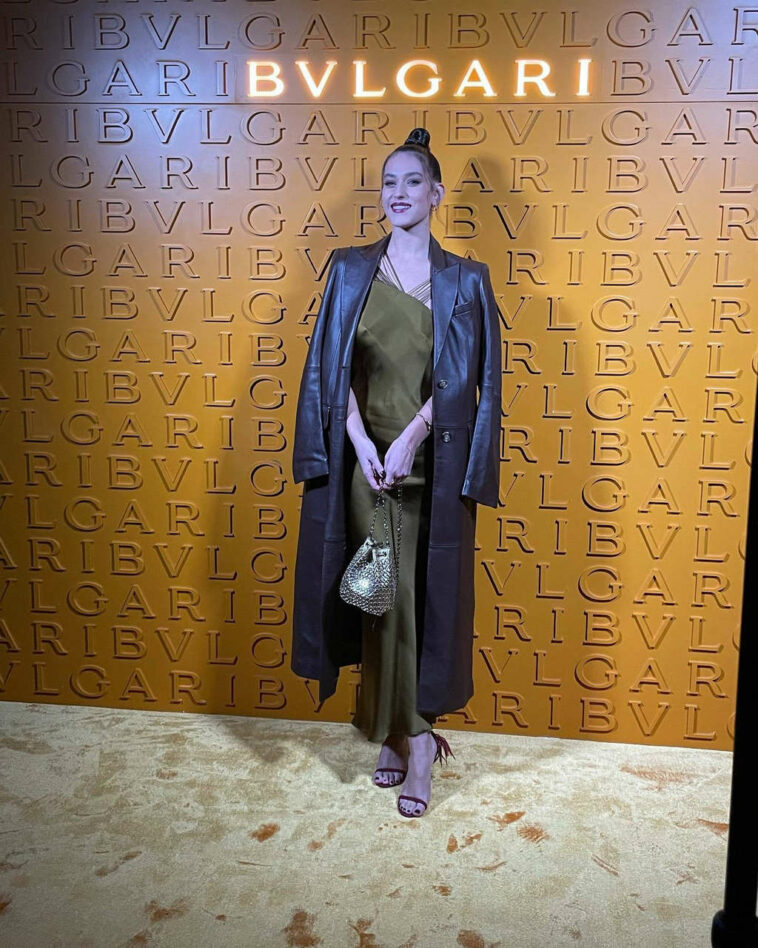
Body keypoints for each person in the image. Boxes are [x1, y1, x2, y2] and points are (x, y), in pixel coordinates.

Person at [291, 128, 502, 818]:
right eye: (389, 182)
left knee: (416, 598)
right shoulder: (350, 269)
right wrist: (360, 443)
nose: (399, 193)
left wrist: (411, 439)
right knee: (378, 596)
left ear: (436, 194)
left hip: (429, 464)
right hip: (364, 462)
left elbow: (465, 377)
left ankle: (414, 741)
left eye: (413, 182)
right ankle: (390, 729)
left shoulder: (466, 279)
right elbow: (332, 368)